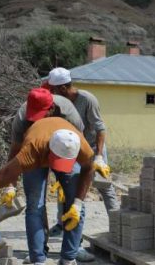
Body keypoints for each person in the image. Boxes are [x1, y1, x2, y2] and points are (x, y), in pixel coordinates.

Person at [0, 117, 99, 265]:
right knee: (35, 206)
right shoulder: (31, 151)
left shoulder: (81, 147)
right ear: (49, 152)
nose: (59, 167)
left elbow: (88, 170)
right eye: (57, 163)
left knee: (77, 207)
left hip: (62, 146)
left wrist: (77, 204)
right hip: (38, 150)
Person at [0, 87, 94, 262]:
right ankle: (38, 256)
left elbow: (82, 154)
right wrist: (10, 186)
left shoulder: (70, 115)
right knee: (35, 204)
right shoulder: (22, 117)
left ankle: (71, 255)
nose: (38, 120)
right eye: (34, 116)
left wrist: (77, 201)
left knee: (75, 203)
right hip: (35, 152)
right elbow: (14, 152)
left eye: (42, 114)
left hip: (64, 150)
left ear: (52, 109)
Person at [47, 68, 118, 229]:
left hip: (93, 148)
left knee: (104, 185)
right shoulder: (58, 102)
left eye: (55, 90)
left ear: (63, 88)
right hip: (72, 150)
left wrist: (99, 157)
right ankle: (62, 223)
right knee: (65, 186)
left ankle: (117, 225)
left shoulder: (87, 99)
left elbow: (100, 129)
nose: (53, 93)